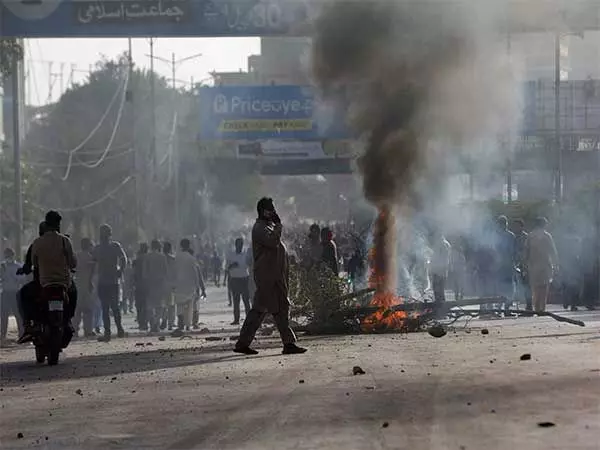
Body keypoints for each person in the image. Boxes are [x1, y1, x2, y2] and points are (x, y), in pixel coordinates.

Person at [234, 198, 306, 355]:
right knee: (271, 309)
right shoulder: (260, 228)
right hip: (268, 278)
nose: (274, 212)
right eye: (271, 209)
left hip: (273, 277)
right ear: (264, 211)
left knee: (270, 309)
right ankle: (287, 343)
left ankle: (245, 343)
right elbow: (273, 242)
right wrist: (279, 225)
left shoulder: (267, 226)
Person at [29, 211, 77, 341]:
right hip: (63, 284)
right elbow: (73, 263)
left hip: (44, 283)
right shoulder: (64, 241)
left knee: (32, 299)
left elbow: (34, 263)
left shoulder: (38, 242)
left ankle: (34, 324)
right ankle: (67, 320)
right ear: (58, 224)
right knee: (74, 294)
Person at [92, 224, 127, 342]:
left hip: (105, 281)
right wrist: (120, 271)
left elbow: (93, 263)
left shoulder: (98, 248)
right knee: (113, 307)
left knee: (106, 308)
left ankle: (109, 332)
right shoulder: (115, 246)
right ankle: (119, 330)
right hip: (111, 281)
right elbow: (124, 259)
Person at [526, 217, 558, 313]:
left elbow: (526, 251)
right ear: (544, 224)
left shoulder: (530, 236)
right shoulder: (547, 236)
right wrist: (556, 263)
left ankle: (536, 308)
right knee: (544, 288)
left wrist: (525, 264)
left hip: (533, 265)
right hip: (545, 265)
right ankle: (542, 309)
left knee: (535, 288)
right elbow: (553, 251)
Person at [173, 239, 205, 334]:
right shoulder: (191, 258)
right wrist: (197, 286)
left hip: (179, 284)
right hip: (190, 285)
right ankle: (187, 325)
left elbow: (173, 271)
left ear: (181, 245)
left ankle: (180, 321)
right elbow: (195, 273)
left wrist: (173, 284)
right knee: (190, 306)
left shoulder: (177, 257)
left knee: (180, 305)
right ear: (189, 245)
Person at [143, 239, 169, 332]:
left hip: (150, 283)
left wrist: (146, 281)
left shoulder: (147, 257)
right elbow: (166, 271)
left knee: (150, 305)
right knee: (159, 306)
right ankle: (156, 323)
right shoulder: (162, 257)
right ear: (159, 247)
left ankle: (152, 323)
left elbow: (144, 272)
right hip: (160, 283)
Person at [73, 238, 96, 338]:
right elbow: (93, 272)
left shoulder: (76, 256)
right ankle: (88, 330)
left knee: (76, 310)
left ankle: (74, 330)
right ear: (89, 246)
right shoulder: (91, 258)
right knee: (88, 310)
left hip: (77, 285)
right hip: (88, 286)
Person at [0, 248, 24, 343]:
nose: (8, 257)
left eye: (9, 255)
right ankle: (2, 335)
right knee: (3, 314)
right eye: (7, 255)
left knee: (18, 314)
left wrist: (13, 276)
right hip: (5, 292)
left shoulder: (18, 266)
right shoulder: (2, 266)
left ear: (13, 256)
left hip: (15, 292)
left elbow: (22, 279)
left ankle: (22, 334)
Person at [494, 215, 516, 314]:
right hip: (505, 266)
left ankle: (502, 309)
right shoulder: (510, 235)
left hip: (502, 266)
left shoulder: (496, 236)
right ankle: (505, 309)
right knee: (507, 289)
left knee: (503, 288)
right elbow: (513, 252)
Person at [227, 237, 251, 325]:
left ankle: (249, 319)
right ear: (235, 245)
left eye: (241, 245)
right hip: (235, 279)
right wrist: (232, 265)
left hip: (244, 278)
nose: (239, 247)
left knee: (246, 300)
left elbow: (249, 264)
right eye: (238, 245)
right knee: (236, 301)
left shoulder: (246, 254)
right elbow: (227, 268)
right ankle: (236, 319)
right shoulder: (231, 255)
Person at [428, 231, 451, 308]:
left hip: (438, 271)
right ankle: (442, 311)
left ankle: (440, 311)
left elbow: (436, 258)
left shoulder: (441, 244)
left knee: (438, 292)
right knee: (441, 292)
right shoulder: (446, 244)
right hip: (443, 271)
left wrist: (432, 267)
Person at [513, 219, 532, 311]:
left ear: (522, 227)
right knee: (515, 286)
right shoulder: (513, 237)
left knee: (526, 286)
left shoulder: (526, 237)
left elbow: (529, 251)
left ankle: (529, 305)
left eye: (517, 226)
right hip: (515, 263)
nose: (515, 228)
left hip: (525, 264)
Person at [133, 243, 149, 330]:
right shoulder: (149, 258)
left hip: (139, 285)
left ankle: (141, 323)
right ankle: (145, 322)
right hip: (147, 285)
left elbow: (134, 273)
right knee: (146, 305)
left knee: (139, 305)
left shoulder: (137, 260)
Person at [161, 241, 176, 330]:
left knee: (163, 305)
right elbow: (175, 272)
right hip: (171, 284)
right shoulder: (173, 259)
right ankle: (170, 323)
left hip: (161, 284)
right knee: (171, 305)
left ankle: (164, 319)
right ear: (170, 249)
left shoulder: (160, 258)